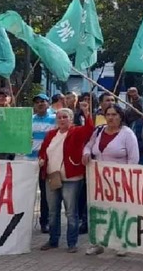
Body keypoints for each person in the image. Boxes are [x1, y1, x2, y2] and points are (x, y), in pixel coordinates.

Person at [82, 104, 139, 256]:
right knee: (98, 212)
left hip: (120, 182)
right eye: (108, 115)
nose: (111, 118)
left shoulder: (128, 134)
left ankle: (123, 243)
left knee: (119, 213)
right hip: (99, 182)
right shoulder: (99, 131)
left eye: (114, 115)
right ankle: (97, 243)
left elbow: (134, 160)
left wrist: (128, 181)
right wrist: (86, 153)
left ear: (121, 117)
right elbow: (88, 146)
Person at [38, 105, 94, 253]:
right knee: (52, 212)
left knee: (71, 212)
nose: (62, 120)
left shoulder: (76, 131)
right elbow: (43, 151)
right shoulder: (51, 134)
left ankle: (72, 243)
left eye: (65, 117)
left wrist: (86, 112)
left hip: (72, 178)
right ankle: (53, 240)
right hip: (52, 177)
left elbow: (89, 129)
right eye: (59, 117)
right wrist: (41, 160)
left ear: (71, 119)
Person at [29, 93, 57, 234]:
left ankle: (44, 221)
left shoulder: (54, 120)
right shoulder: (29, 120)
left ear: (48, 103)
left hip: (47, 162)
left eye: (43, 101)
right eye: (37, 102)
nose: (40, 104)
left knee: (46, 194)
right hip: (30, 161)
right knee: (28, 193)